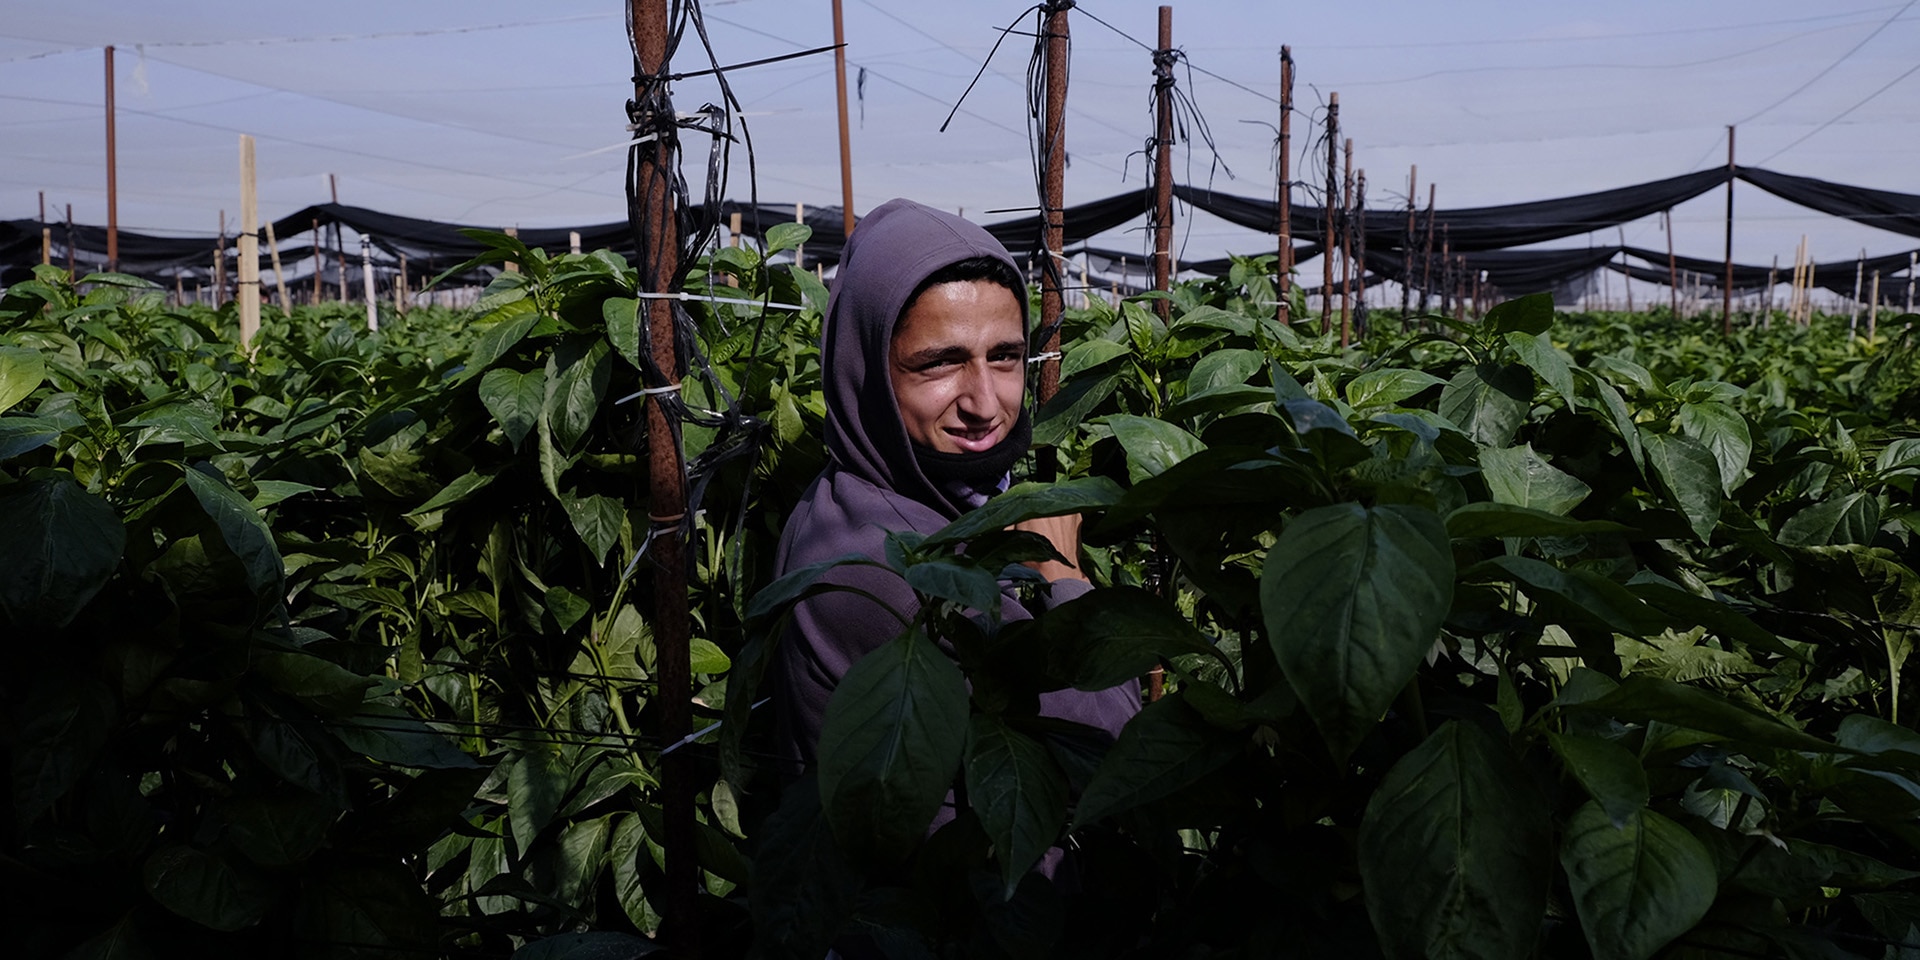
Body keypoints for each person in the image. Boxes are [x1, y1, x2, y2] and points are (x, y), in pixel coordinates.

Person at [768, 198, 1140, 772]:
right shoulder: (893, 571)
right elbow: (1118, 746)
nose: (985, 403)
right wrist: (1063, 578)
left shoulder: (855, 498)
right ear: (865, 372)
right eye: (939, 363)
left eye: (1005, 357)